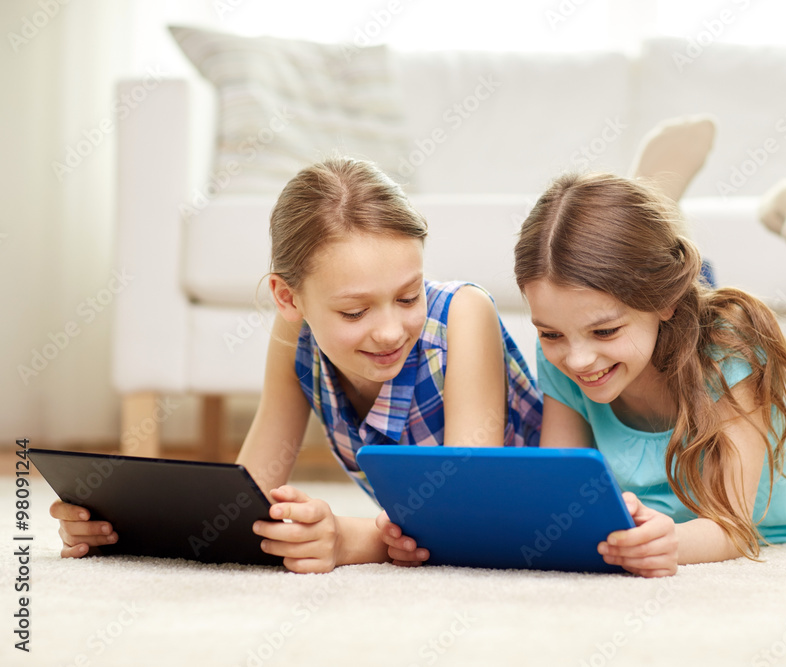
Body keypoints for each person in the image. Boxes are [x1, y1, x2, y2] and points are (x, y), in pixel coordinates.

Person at [50, 156, 544, 573]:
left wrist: (350, 540)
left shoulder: (463, 314)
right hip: (418, 529)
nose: (391, 330)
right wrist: (120, 527)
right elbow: (249, 498)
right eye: (355, 311)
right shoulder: (295, 336)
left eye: (408, 295)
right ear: (288, 298)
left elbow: (467, 515)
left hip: (543, 522)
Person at [502, 147, 786, 578]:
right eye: (550, 334)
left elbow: (733, 528)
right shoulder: (563, 362)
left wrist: (672, 542)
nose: (578, 358)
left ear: (664, 299)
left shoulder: (726, 351)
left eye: (605, 331)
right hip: (783, 432)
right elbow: (560, 500)